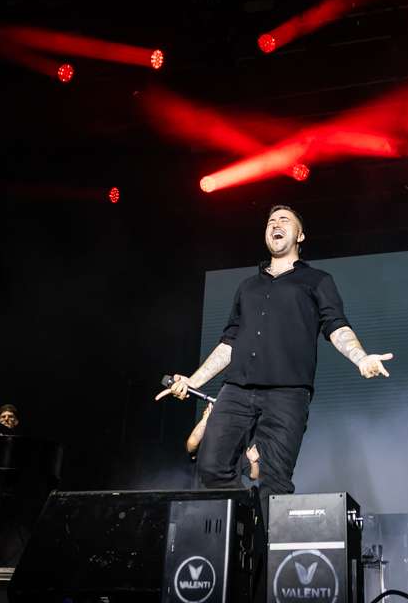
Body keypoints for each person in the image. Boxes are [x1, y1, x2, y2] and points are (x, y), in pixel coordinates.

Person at [156, 204, 393, 517]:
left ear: (300, 235)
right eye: (271, 221)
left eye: (284, 220)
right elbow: (229, 342)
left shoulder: (317, 280)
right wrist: (193, 381)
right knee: (211, 466)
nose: (276, 224)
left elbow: (335, 326)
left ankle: (262, 536)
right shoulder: (248, 287)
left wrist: (361, 358)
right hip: (236, 390)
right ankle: (245, 526)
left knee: (275, 483)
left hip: (288, 393)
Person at [187, 402, 261, 482]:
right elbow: (192, 444)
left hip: (230, 488)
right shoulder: (209, 439)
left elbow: (254, 476)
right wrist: (205, 419)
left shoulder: (239, 447)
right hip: (207, 488)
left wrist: (254, 462)